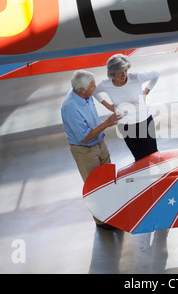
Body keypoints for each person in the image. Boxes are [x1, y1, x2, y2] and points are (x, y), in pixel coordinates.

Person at [61, 70, 121, 229]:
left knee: (108, 180)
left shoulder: (85, 95)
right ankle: (102, 221)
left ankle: (113, 212)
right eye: (93, 86)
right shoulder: (71, 107)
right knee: (95, 186)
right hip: (85, 151)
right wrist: (106, 124)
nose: (95, 88)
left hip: (100, 144)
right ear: (82, 89)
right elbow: (85, 137)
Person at [93, 54, 159, 161]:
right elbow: (94, 91)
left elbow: (156, 74)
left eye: (125, 70)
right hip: (126, 126)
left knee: (153, 155)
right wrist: (106, 104)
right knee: (139, 158)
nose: (124, 75)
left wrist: (146, 92)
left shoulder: (136, 77)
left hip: (144, 121)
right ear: (112, 73)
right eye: (120, 72)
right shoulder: (106, 85)